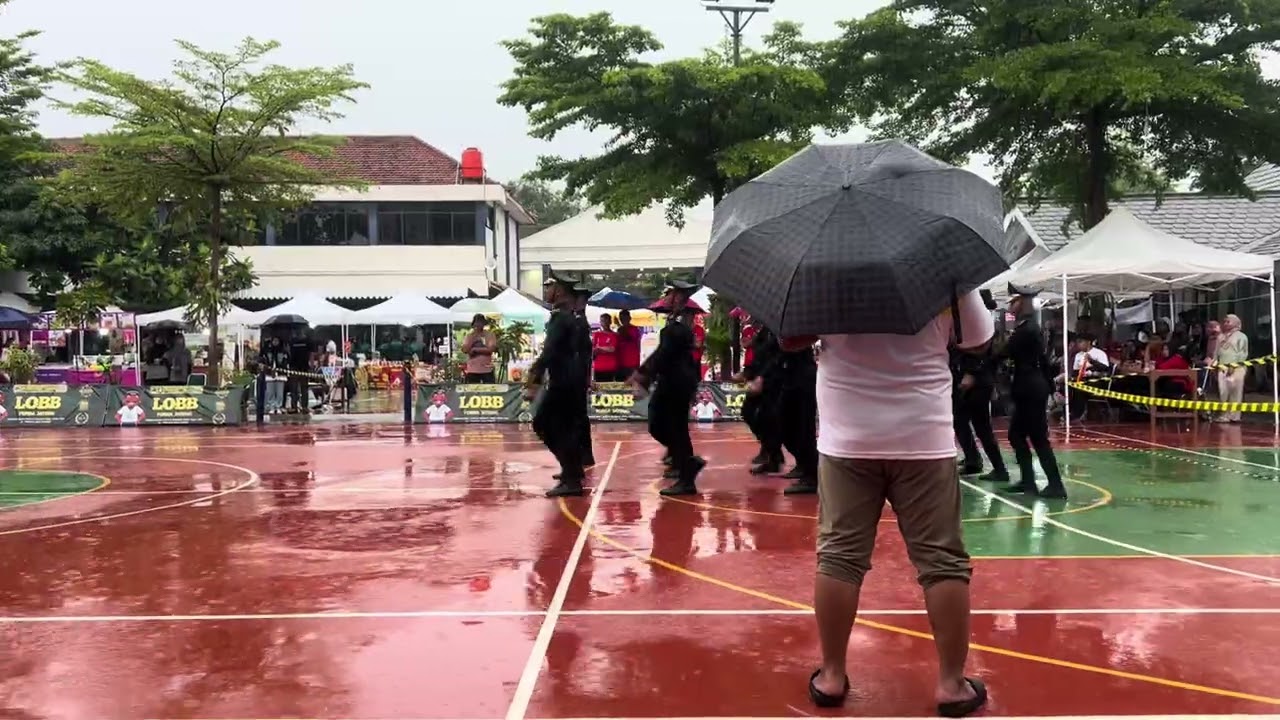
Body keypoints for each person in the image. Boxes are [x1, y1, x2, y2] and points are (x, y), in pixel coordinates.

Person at [795, 287, 993, 716]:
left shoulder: (829, 267)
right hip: (922, 436)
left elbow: (790, 337)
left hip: (848, 437)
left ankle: (831, 676)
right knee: (942, 561)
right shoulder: (942, 267)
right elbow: (978, 337)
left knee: (839, 557)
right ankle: (951, 685)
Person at [631, 281, 705, 496]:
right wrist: (643, 372)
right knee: (671, 429)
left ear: (680, 298)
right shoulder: (675, 323)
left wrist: (643, 374)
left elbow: (664, 354)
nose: (667, 297)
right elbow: (662, 352)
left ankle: (686, 470)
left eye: (671, 293)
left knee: (667, 427)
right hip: (674, 381)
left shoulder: (680, 325)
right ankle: (686, 467)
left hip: (675, 383)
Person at [525, 270, 590, 497]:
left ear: (559, 290)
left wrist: (533, 380)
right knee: (564, 428)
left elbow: (550, 351)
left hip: (563, 380)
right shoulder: (568, 317)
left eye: (549, 287)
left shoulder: (561, 317)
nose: (546, 291)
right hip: (570, 379)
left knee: (544, 424)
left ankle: (571, 476)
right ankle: (572, 470)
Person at [1002, 283, 1067, 499]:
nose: (1010, 304)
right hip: (1030, 387)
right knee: (1017, 435)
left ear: (1022, 302)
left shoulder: (1027, 330)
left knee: (1038, 437)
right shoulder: (1027, 327)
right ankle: (1028, 481)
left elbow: (1005, 353)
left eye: (1013, 301)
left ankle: (1056, 485)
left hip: (1030, 388)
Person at [951, 313, 1008, 484]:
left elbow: (984, 354)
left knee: (981, 426)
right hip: (970, 380)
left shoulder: (980, 327)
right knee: (960, 421)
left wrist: (972, 372)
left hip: (976, 382)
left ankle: (999, 469)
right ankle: (972, 459)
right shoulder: (974, 324)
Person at [735, 316, 784, 472]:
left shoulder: (776, 330)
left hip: (774, 379)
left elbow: (776, 356)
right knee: (749, 412)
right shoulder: (762, 330)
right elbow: (759, 357)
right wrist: (747, 373)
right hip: (760, 378)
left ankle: (774, 455)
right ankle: (771, 451)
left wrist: (762, 376)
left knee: (770, 419)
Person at [777, 342, 818, 494]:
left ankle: (812, 475)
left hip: (802, 379)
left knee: (804, 428)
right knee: (786, 426)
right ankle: (804, 464)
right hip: (789, 378)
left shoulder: (795, 327)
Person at [573, 287, 597, 467]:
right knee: (578, 418)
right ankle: (584, 456)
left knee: (576, 418)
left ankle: (581, 457)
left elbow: (585, 354)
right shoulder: (579, 320)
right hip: (578, 374)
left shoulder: (580, 322)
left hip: (576, 375)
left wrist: (588, 377)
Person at [1214, 313, 1249, 423]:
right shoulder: (1221, 337)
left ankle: (1235, 416)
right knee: (1223, 393)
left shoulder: (1241, 336)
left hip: (1237, 369)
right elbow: (1216, 353)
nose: (1225, 323)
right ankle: (1224, 415)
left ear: (1236, 323)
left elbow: (1243, 354)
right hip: (1222, 368)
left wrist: (1234, 366)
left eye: (1228, 321)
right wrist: (1215, 364)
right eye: (1225, 321)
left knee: (1235, 393)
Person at [462, 314, 499, 383]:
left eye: (480, 323)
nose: (478, 325)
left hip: (487, 369)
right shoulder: (469, 336)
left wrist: (475, 350)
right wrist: (472, 339)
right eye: (477, 323)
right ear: (474, 324)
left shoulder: (489, 335)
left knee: (489, 391)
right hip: (473, 369)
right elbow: (465, 350)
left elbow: (491, 349)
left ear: (483, 324)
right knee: (472, 391)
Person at [592, 313, 620, 382]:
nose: (604, 323)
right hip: (598, 367)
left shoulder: (614, 335)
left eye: (606, 321)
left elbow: (612, 349)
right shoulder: (597, 334)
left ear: (610, 322)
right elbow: (593, 350)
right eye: (602, 321)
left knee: (609, 388)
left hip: (610, 367)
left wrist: (600, 348)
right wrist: (605, 349)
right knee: (598, 389)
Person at [615, 309, 642, 380]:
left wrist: (621, 328)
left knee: (632, 386)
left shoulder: (635, 329)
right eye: (621, 318)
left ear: (629, 318)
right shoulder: (619, 329)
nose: (622, 320)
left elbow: (629, 337)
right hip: (620, 363)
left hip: (632, 363)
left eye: (624, 318)